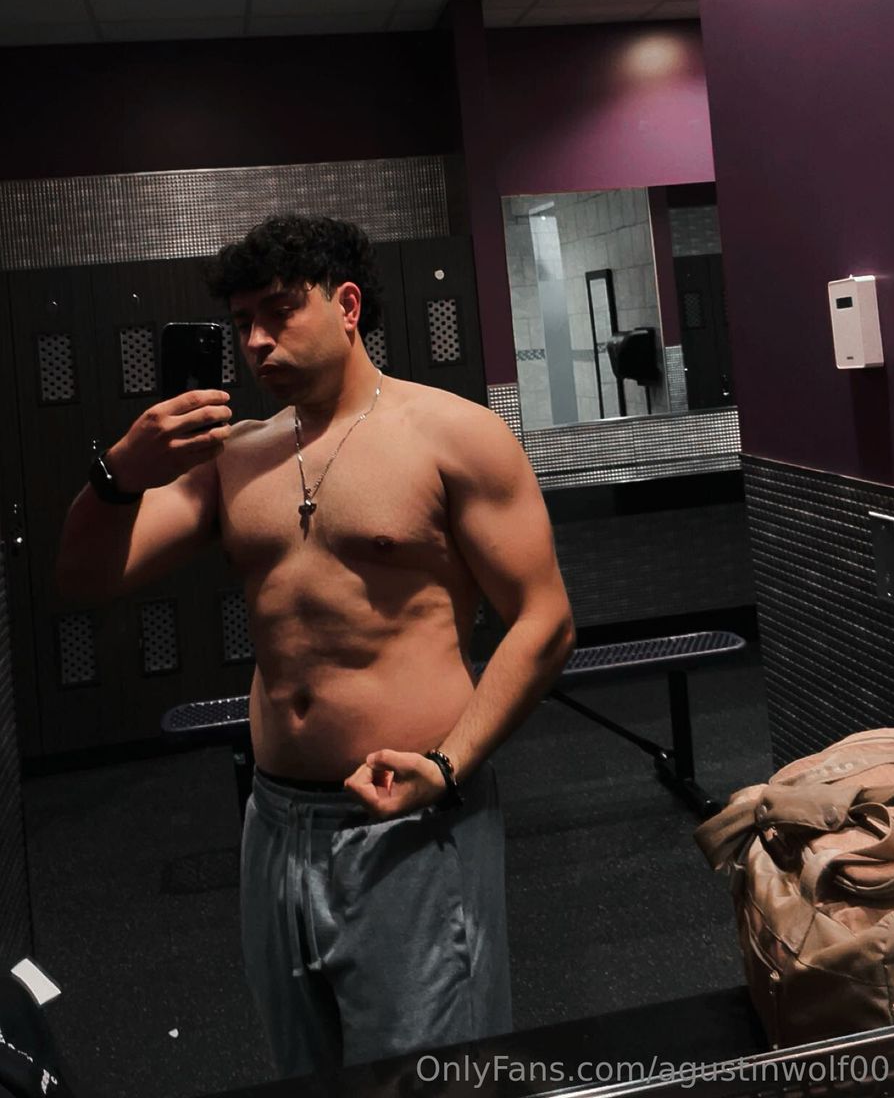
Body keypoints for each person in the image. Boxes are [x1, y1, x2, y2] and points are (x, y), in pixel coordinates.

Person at [56, 215, 575, 1079]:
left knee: (429, 1076)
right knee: (308, 1072)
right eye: (241, 323)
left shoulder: (456, 436)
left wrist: (446, 766)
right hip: (275, 824)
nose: (256, 341)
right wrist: (118, 475)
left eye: (278, 311)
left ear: (347, 305)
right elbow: (85, 578)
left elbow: (544, 620)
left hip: (409, 815)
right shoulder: (235, 459)